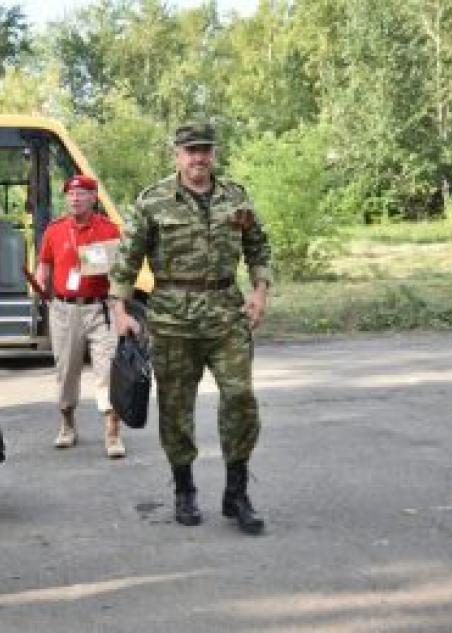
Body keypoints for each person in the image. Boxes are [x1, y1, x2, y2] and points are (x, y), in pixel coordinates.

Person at [109, 122, 272, 534]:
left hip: (225, 313)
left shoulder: (236, 196)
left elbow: (257, 246)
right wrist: (120, 310)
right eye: (190, 151)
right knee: (176, 407)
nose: (198, 158)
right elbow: (127, 259)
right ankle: (185, 489)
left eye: (205, 150)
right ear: (177, 155)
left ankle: (237, 493)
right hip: (172, 318)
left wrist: (259, 291)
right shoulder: (153, 201)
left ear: (213, 154)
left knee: (240, 397)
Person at [36, 174, 125, 459]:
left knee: (108, 370)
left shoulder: (109, 230)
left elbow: (119, 273)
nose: (74, 199)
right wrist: (39, 289)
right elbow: (44, 266)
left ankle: (112, 432)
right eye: (70, 194)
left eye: (81, 194)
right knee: (66, 372)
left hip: (101, 309)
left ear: (93, 197)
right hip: (64, 309)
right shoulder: (55, 230)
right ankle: (67, 424)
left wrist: (119, 306)